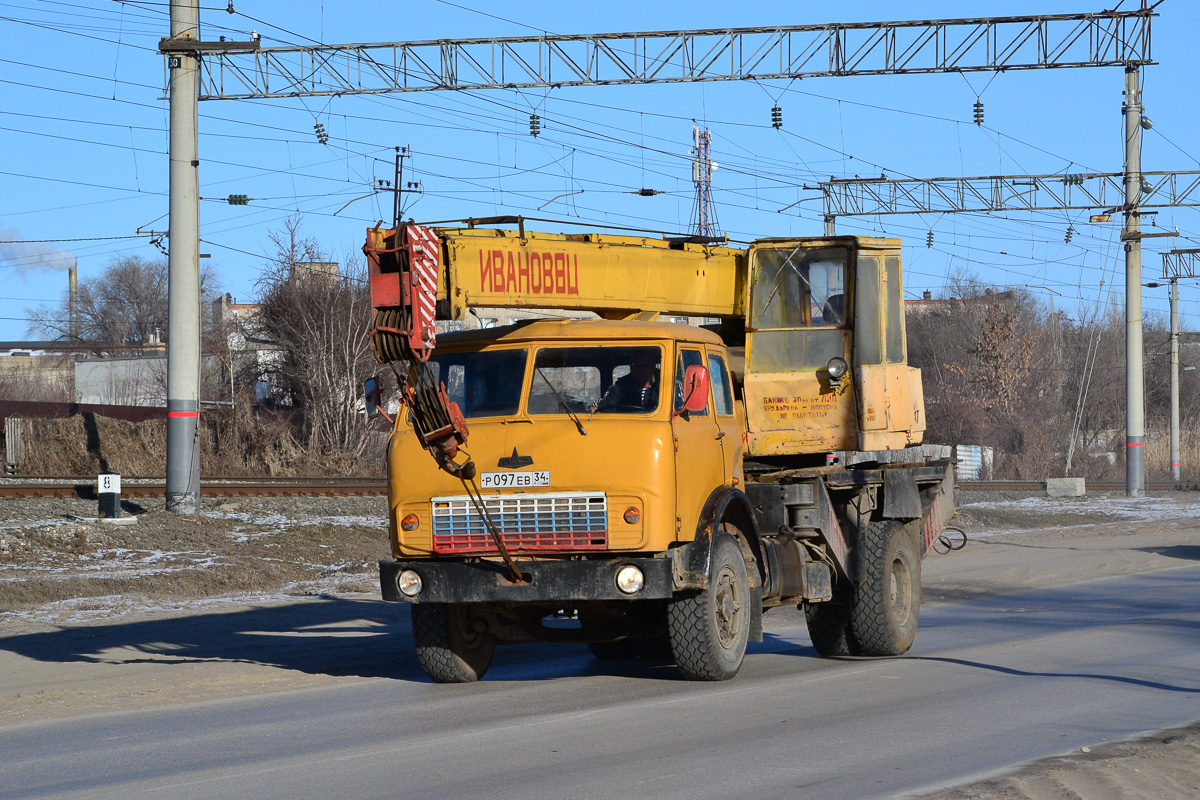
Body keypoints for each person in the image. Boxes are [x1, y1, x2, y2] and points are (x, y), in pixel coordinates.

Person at [593, 351, 660, 412]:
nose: (640, 369)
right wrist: (597, 409)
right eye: (635, 365)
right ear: (631, 367)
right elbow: (607, 409)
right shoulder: (619, 388)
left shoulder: (663, 386)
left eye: (644, 365)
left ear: (652, 366)